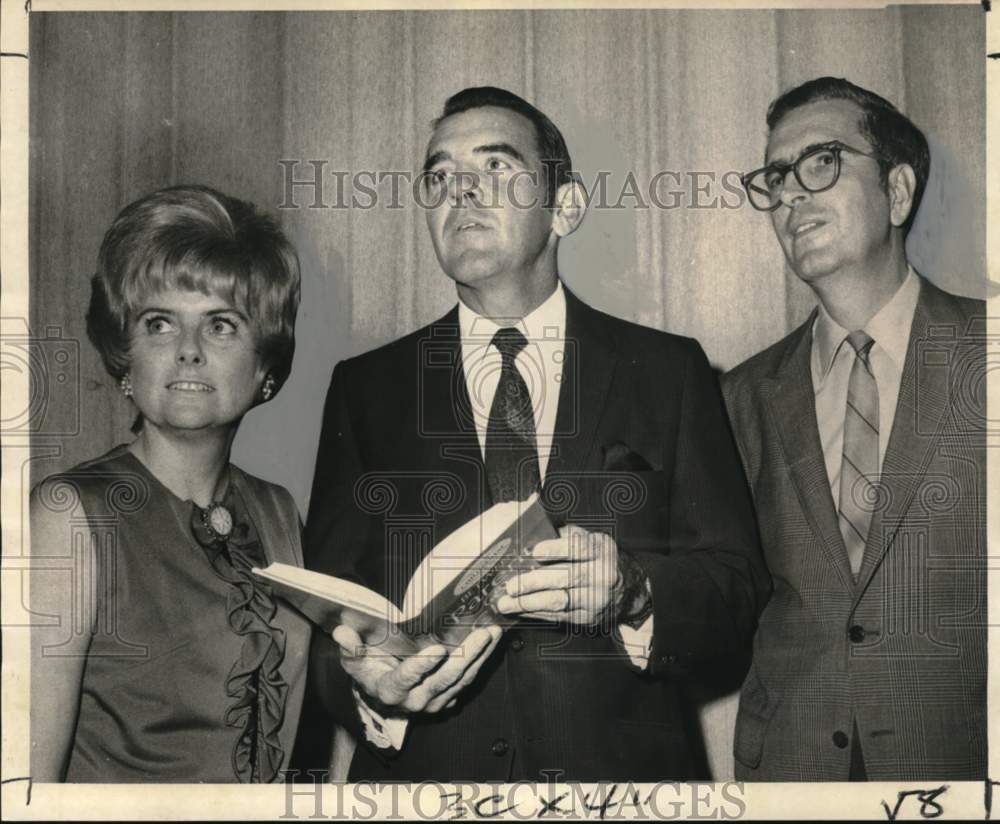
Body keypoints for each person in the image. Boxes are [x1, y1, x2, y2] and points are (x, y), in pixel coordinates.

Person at [300, 86, 768, 781]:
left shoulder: (667, 370)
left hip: (621, 788)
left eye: (494, 167)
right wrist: (368, 687)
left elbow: (736, 593)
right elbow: (326, 622)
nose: (461, 189)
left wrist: (636, 592)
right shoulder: (366, 389)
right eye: (439, 175)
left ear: (566, 206)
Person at [725, 77, 986, 780]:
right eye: (777, 177)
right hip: (792, 773)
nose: (790, 195)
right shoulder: (740, 395)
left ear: (898, 193)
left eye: (822, 162)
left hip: (957, 769)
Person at [30, 185, 309, 782]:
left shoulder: (278, 511)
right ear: (125, 356)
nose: (188, 352)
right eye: (159, 324)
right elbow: (26, 788)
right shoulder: (71, 514)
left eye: (222, 326)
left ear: (264, 366)